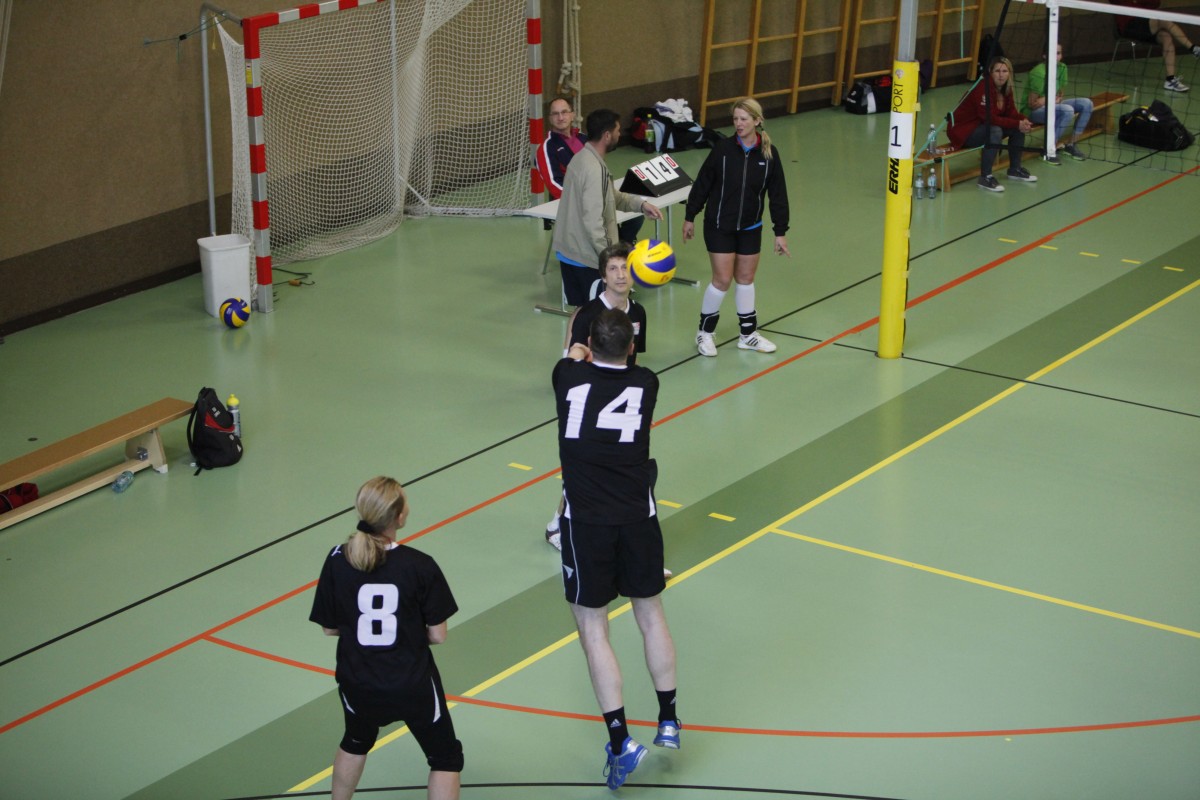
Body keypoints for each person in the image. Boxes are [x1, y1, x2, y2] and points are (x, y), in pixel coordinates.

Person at [552, 309, 680, 790]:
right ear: (631, 347)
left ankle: (621, 741)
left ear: (589, 343)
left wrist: (577, 349)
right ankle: (668, 719)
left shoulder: (566, 377)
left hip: (587, 522)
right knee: (651, 614)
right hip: (637, 518)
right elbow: (621, 365)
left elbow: (571, 357)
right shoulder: (647, 383)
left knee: (593, 629)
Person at [309, 477, 463, 800]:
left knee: (355, 741)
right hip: (411, 683)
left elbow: (329, 628)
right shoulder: (420, 565)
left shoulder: (337, 559)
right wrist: (405, 634)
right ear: (400, 517)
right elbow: (438, 635)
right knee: (445, 758)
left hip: (358, 681)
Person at [544, 243, 646, 551]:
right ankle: (558, 525)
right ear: (603, 276)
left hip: (620, 403)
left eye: (625, 268)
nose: (620, 275)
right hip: (587, 403)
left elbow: (633, 361)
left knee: (614, 470)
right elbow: (572, 362)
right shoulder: (588, 315)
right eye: (613, 269)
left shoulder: (638, 313)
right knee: (582, 468)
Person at [681, 97, 790, 358]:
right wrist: (690, 215)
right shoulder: (723, 149)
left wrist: (780, 232)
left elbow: (778, 194)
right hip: (719, 225)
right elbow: (703, 183)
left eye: (744, 119)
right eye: (735, 119)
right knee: (722, 280)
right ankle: (705, 332)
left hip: (751, 227)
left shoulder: (769, 154)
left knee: (746, 279)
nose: (738, 124)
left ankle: (748, 335)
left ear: (757, 121)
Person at [552, 108, 662, 308]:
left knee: (581, 313)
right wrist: (610, 259)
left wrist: (641, 205)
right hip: (585, 257)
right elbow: (593, 222)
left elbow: (611, 197)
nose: (620, 134)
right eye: (617, 130)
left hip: (571, 251)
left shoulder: (583, 158)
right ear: (607, 135)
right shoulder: (594, 170)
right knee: (599, 315)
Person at [537, 96, 645, 242]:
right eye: (555, 114)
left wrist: (603, 193)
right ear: (550, 118)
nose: (561, 117)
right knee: (604, 221)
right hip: (571, 204)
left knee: (636, 214)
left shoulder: (584, 138)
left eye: (564, 112)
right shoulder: (547, 148)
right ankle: (617, 248)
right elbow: (554, 185)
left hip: (596, 196)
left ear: (572, 115)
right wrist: (588, 198)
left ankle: (621, 245)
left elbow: (598, 168)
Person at [948, 56, 1037, 193]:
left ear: (1009, 73)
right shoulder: (983, 88)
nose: (1001, 75)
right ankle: (985, 177)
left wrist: (1024, 121)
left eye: (1005, 71)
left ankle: (1015, 169)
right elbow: (989, 118)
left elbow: (1011, 113)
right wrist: (1017, 123)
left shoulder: (1006, 89)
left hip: (982, 126)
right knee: (995, 131)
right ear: (991, 72)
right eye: (997, 71)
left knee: (1016, 129)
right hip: (963, 131)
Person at [1021, 44, 1093, 161]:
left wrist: (1047, 99)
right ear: (1044, 55)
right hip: (1032, 112)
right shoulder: (1038, 72)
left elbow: (1059, 95)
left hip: (1051, 105)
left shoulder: (1062, 68)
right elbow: (1032, 104)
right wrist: (1050, 99)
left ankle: (1071, 145)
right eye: (1052, 53)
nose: (1056, 56)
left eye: (1058, 53)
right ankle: (1048, 149)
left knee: (1087, 103)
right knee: (1067, 110)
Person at [1112, 0, 1200, 93]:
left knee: (1166, 37)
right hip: (1129, 27)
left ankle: (1170, 80)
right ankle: (1193, 48)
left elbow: (1155, 4)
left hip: (1146, 24)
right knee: (1164, 21)